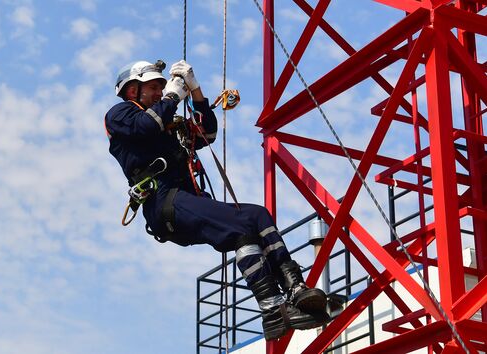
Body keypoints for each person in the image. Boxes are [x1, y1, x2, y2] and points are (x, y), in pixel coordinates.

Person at [104, 59, 330, 340]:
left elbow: (207, 133)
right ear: (131, 91)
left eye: (161, 88)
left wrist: (196, 92)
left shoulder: (167, 123)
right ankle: (273, 308)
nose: (160, 93)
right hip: (164, 204)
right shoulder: (121, 114)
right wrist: (174, 94)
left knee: (255, 218)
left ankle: (294, 289)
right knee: (239, 225)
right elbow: (145, 127)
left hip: (185, 200)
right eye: (153, 87)